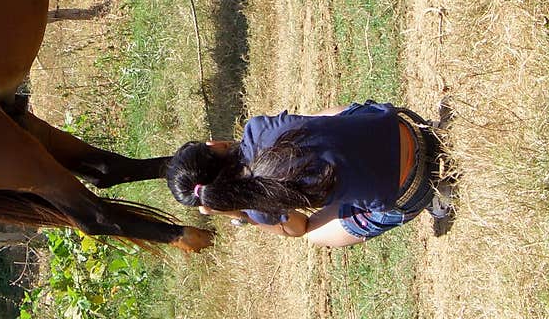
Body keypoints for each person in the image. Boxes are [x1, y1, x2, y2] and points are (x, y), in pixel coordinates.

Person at [166, 100, 455, 247]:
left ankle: (433, 193)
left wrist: (236, 211)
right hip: (410, 128)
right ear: (213, 146)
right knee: (323, 122)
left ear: (211, 203)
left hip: (413, 192)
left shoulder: (257, 208)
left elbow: (298, 228)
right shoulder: (257, 128)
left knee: (313, 235)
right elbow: (322, 123)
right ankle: (428, 138)